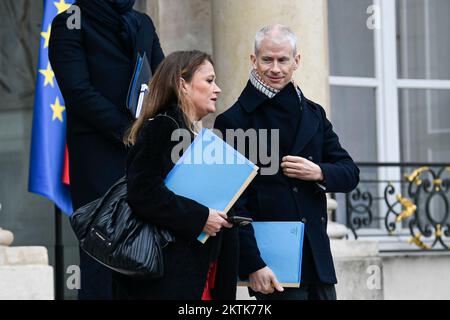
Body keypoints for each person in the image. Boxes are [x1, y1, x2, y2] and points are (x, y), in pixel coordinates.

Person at [214, 24, 360, 300]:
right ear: (253, 60)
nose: (275, 68)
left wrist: (318, 171)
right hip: (273, 266)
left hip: (318, 261)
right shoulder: (234, 121)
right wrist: (253, 264)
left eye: (283, 60)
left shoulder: (314, 114)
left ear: (297, 61)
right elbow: (232, 203)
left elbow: (350, 173)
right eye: (267, 59)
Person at [49, 0, 164, 299]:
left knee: (148, 249)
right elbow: (78, 92)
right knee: (103, 254)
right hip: (99, 156)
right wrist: (127, 131)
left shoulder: (142, 23)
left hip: (143, 156)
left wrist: (158, 130)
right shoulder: (70, 23)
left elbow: (163, 82)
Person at [113, 50, 239, 300]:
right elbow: (142, 192)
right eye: (209, 80)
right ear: (183, 84)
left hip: (197, 272)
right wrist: (201, 216)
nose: (218, 89)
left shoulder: (189, 134)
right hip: (166, 278)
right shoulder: (163, 126)